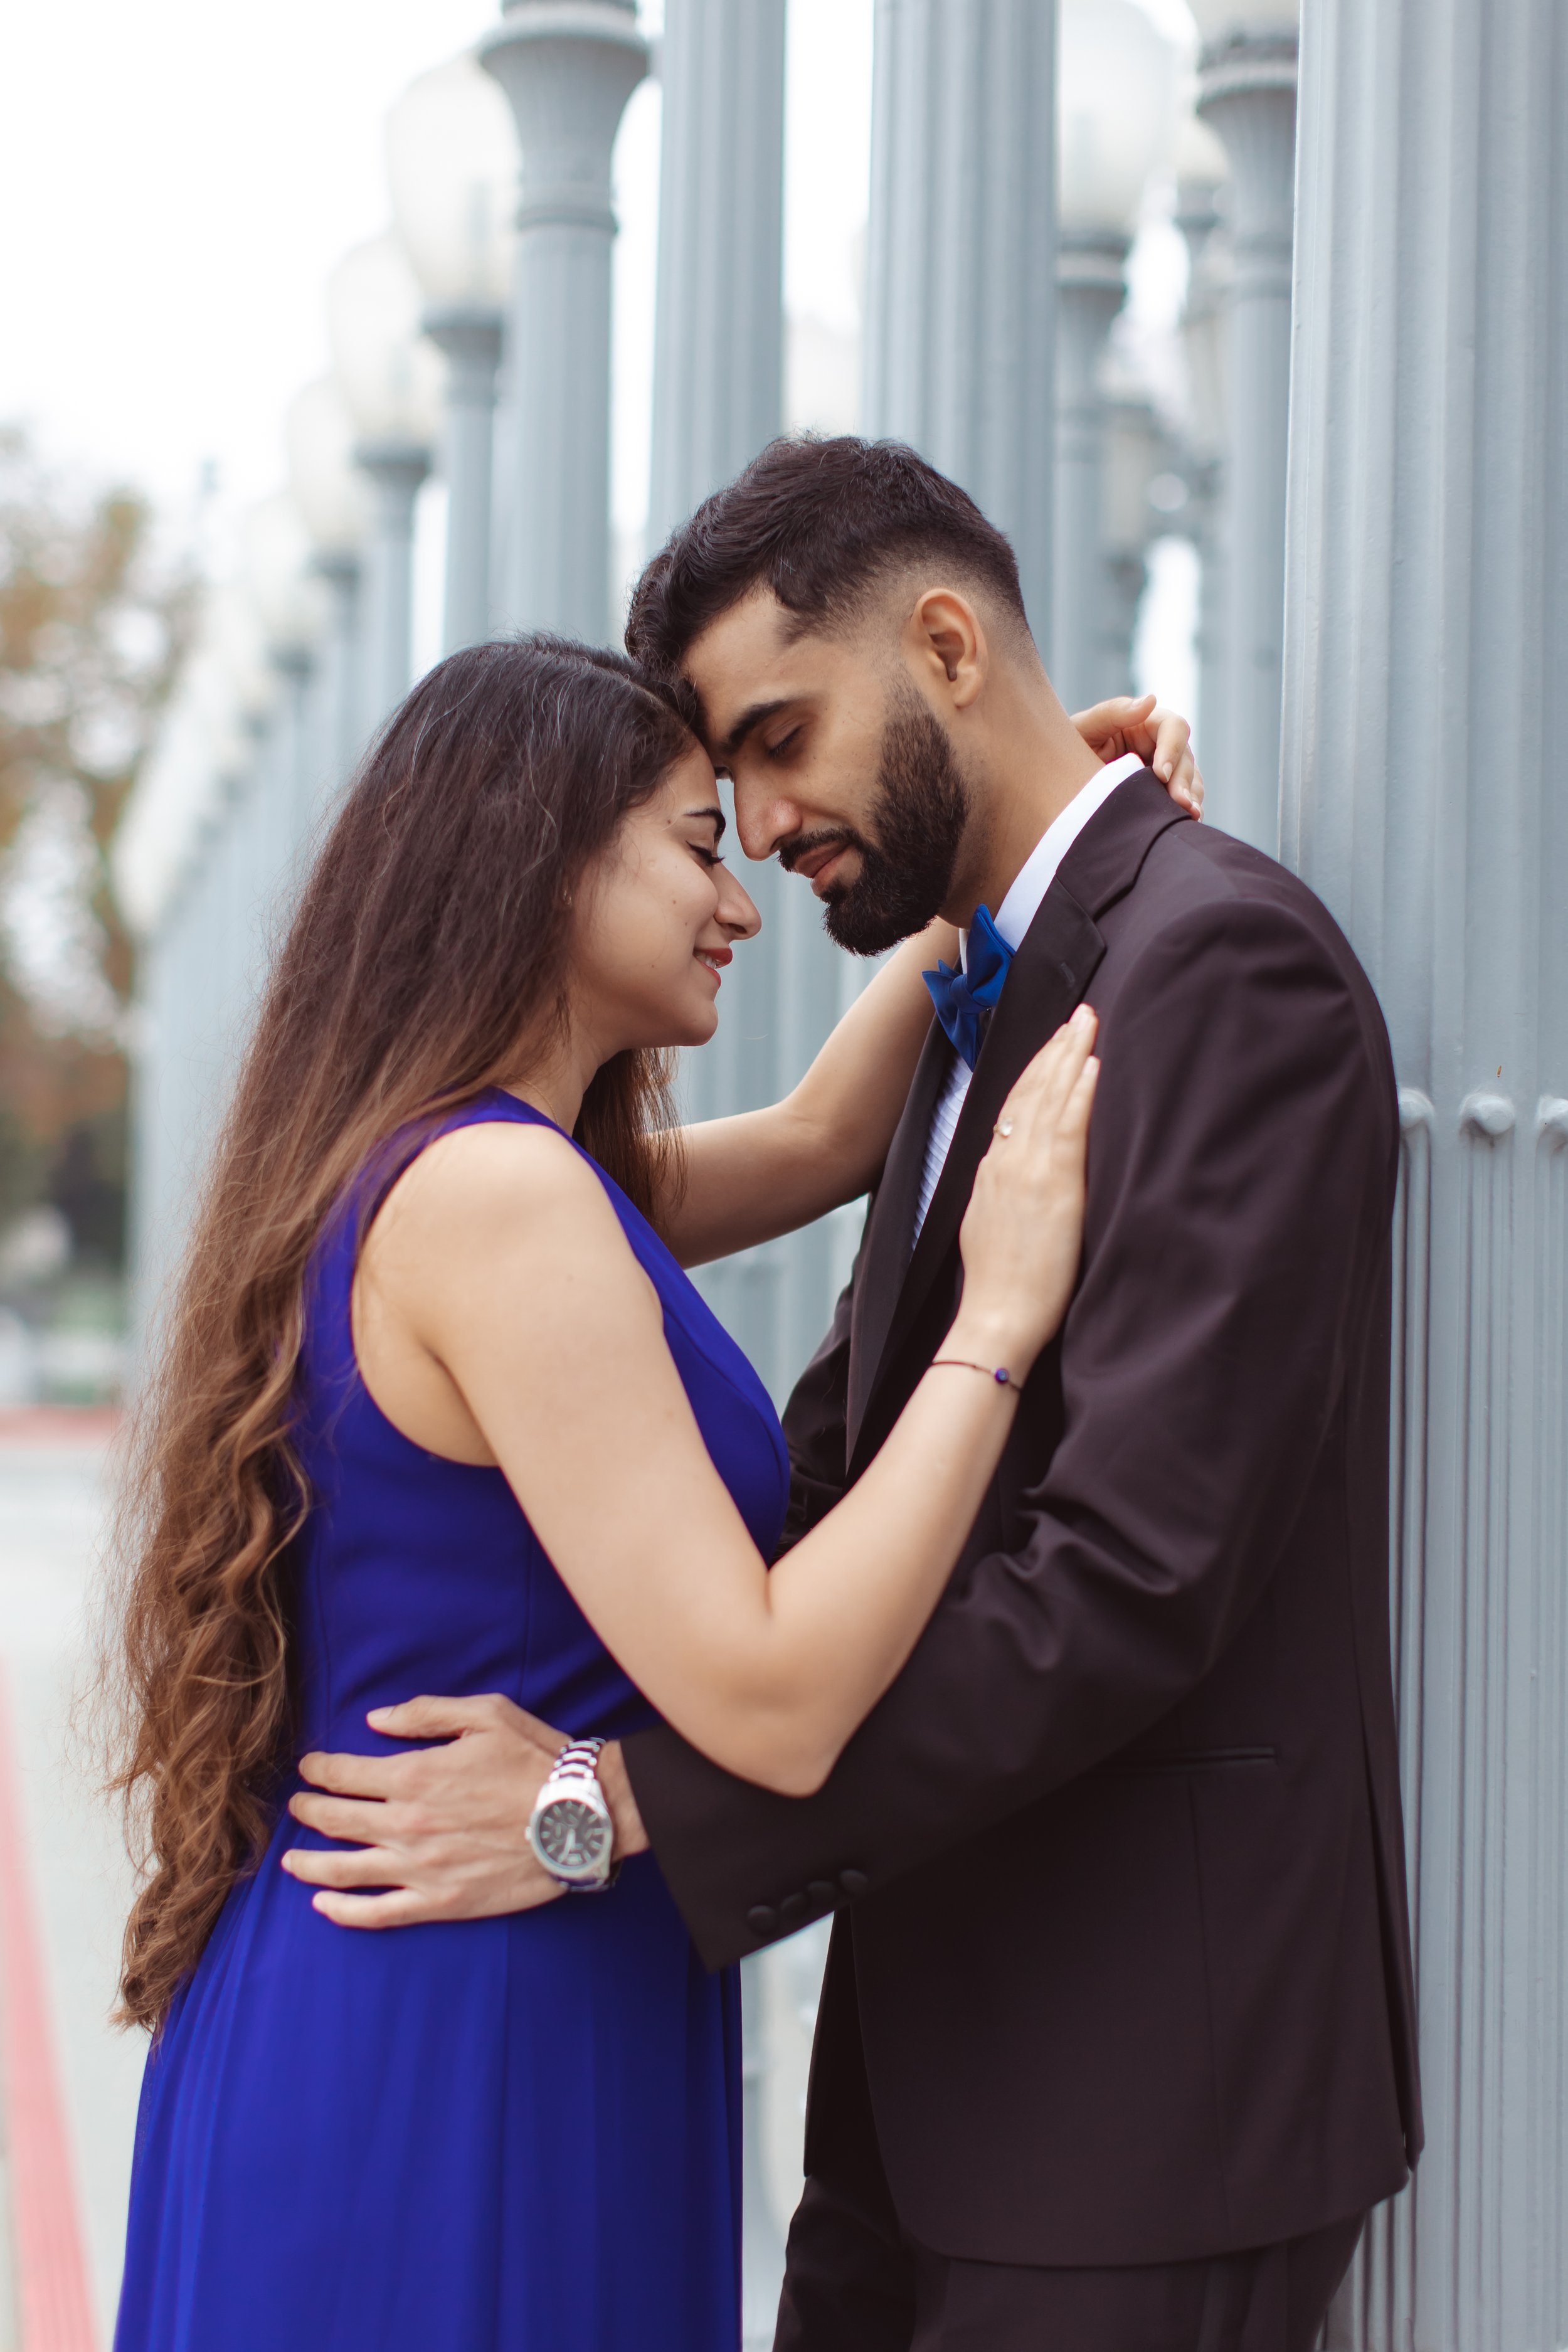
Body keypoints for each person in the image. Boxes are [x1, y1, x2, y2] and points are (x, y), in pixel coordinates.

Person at [295, 440, 1422, 2352]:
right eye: (715, 786)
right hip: (931, 2084)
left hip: (1141, 2106)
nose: (756, 822)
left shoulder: (1217, 970)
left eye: (778, 738)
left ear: (945, 644)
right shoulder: (999, 991)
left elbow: (1126, 1582)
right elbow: (841, 1483)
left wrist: (602, 1809)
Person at [108, 630, 1194, 2352]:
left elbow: (824, 1140)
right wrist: (998, 1316)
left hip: (439, 1987)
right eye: (697, 844)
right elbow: (769, 1700)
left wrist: (1006, 838)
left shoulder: (478, 1172)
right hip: (458, 2032)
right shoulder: (500, 1207)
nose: (741, 901)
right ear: (537, 858)